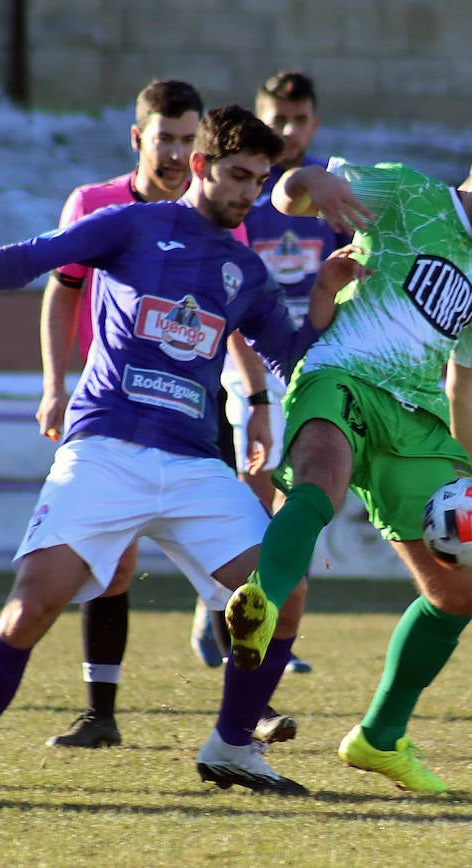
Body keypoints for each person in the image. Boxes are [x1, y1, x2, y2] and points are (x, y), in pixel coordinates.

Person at [0, 104, 367, 794]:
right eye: (238, 175)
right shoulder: (134, 224)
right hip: (106, 449)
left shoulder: (245, 269)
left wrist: (329, 290)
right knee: (32, 605)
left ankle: (233, 748)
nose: (247, 192)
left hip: (193, 465)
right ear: (202, 166)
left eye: (259, 179)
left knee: (284, 589)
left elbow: (296, 357)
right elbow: (25, 260)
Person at [222, 112, 472, 794]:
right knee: (322, 471)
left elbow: (465, 384)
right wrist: (309, 183)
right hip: (343, 375)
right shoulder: (409, 195)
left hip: (417, 420)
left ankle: (380, 737)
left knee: (459, 591)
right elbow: (292, 192)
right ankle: (257, 604)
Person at [34, 80, 294, 751]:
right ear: (138, 137)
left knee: (233, 551)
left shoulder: (222, 210)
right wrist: (53, 384)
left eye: (187, 139)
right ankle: (101, 708)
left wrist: (256, 400)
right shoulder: (98, 205)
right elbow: (60, 293)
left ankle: (246, 713)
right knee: (112, 564)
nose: (176, 152)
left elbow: (235, 309)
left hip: (195, 396)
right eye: (166, 139)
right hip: (112, 404)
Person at [188, 70, 350, 675]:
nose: (290, 131)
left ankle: (267, 625)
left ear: (315, 122)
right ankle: (227, 624)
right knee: (255, 505)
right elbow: (229, 293)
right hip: (250, 362)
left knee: (298, 503)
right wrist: (252, 387)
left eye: (300, 120)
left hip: (310, 356)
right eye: (278, 120)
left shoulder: (327, 198)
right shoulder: (245, 197)